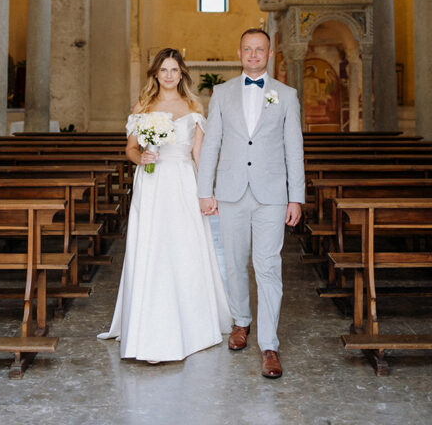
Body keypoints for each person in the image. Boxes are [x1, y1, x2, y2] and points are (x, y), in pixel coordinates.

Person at [98, 48, 231, 363]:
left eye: (175, 70)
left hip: (183, 184)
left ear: (182, 73)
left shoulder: (193, 107)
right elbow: (131, 148)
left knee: (183, 249)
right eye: (164, 70)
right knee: (152, 249)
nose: (169, 75)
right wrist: (140, 157)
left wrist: (208, 193)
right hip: (152, 184)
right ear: (155, 74)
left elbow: (199, 156)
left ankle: (191, 326)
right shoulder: (142, 107)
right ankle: (147, 326)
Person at [197, 28, 305, 379]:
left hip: (272, 194)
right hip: (230, 191)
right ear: (239, 52)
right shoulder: (223, 92)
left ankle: (269, 344)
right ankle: (241, 322)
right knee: (234, 262)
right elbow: (211, 143)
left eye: (260, 50)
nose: (254, 55)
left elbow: (294, 149)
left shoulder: (286, 95)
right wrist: (204, 190)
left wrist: (296, 197)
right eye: (248, 49)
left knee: (268, 266)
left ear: (270, 54)